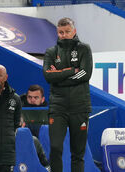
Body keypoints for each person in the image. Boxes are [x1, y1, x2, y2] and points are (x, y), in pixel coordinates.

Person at [43, 17, 93, 172]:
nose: (63, 35)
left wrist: (59, 76)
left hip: (80, 107)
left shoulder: (84, 49)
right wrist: (71, 71)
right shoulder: (51, 52)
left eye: (67, 32)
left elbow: (85, 74)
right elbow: (48, 76)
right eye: (60, 32)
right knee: (56, 148)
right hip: (58, 107)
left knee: (78, 153)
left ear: (74, 31)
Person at [20, 84, 50, 170]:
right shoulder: (19, 111)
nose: (32, 100)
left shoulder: (49, 113)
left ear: (42, 99)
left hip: (45, 149)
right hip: (25, 147)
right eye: (30, 97)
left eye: (36, 97)